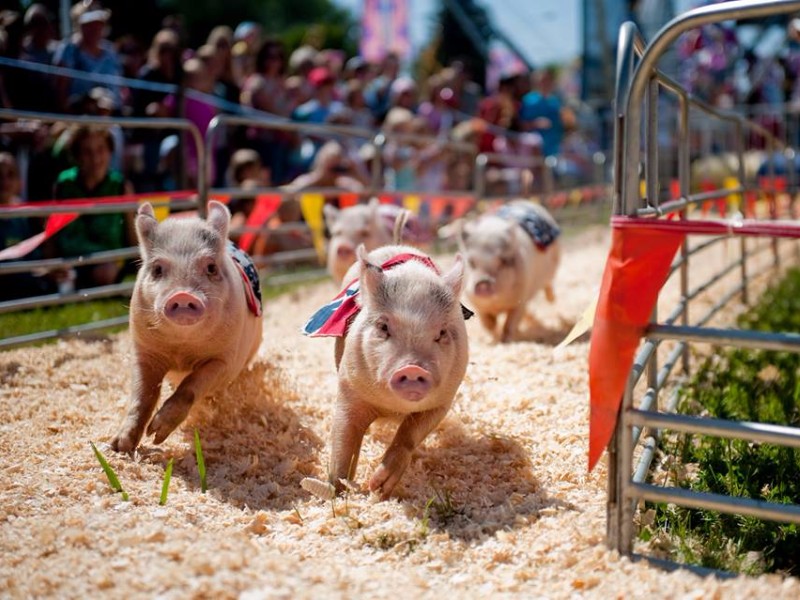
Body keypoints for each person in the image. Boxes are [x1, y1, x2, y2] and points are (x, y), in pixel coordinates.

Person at [52, 126, 135, 289]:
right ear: (77, 156)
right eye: (87, 152)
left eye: (100, 149)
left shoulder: (121, 186)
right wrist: (52, 264)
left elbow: (132, 235)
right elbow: (53, 231)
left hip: (107, 263)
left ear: (110, 152)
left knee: (105, 273)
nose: (95, 158)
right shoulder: (63, 184)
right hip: (71, 261)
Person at [0, 152, 56, 300]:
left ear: (20, 182)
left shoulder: (24, 216)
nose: (4, 181)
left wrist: (48, 271)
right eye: (0, 175)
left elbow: (33, 258)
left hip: (24, 278)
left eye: (10, 175)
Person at [52, 1, 123, 112]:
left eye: (98, 23)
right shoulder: (68, 50)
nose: (94, 29)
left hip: (109, 118)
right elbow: (60, 93)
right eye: (89, 24)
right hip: (77, 117)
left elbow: (118, 90)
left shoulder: (110, 52)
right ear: (79, 25)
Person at [520, 67, 574, 159]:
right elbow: (521, 125)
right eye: (543, 80)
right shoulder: (528, 101)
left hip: (554, 150)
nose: (546, 83)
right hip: (533, 153)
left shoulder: (556, 102)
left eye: (548, 80)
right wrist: (535, 123)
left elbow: (566, 124)